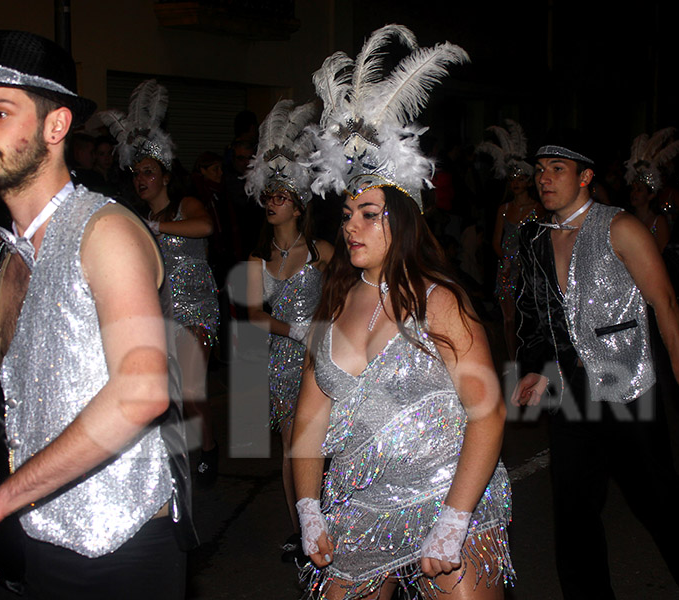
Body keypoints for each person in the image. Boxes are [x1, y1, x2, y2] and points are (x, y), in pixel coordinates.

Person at [0, 30, 197, 597]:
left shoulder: (107, 231)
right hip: (33, 536)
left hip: (114, 552)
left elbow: (142, 391)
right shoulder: (9, 251)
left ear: (56, 126)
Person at [293, 25, 513, 599]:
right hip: (360, 502)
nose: (351, 227)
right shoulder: (335, 301)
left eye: (369, 214)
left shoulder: (440, 301)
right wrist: (308, 506)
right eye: (346, 215)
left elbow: (486, 414)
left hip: (446, 492)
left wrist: (455, 519)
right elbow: (310, 419)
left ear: (404, 218)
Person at [512, 138, 679, 599]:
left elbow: (664, 301)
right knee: (574, 512)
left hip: (627, 385)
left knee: (661, 503)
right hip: (571, 393)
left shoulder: (619, 227)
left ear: (585, 177)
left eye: (557, 168)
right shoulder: (535, 237)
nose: (544, 178)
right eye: (540, 169)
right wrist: (536, 370)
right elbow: (534, 316)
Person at [100, 79, 221, 485]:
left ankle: (208, 450)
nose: (141, 180)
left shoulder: (184, 206)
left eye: (148, 172)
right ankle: (175, 454)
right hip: (159, 310)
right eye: (136, 173)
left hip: (198, 309)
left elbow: (205, 227)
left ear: (165, 176)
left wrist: (158, 226)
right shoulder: (134, 216)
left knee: (190, 388)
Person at [243, 99, 333, 561]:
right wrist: (296, 331)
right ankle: (302, 529)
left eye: (280, 197)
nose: (271, 204)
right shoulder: (256, 259)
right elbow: (254, 317)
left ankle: (331, 516)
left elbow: (347, 295)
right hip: (282, 359)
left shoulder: (323, 251)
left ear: (298, 206)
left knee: (325, 441)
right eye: (268, 197)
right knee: (290, 445)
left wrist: (326, 330)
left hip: (323, 357)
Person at [478, 119, 544, 361]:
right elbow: (496, 240)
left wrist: (527, 263)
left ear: (528, 181)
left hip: (529, 271)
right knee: (507, 318)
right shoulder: (504, 209)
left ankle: (529, 357)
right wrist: (506, 261)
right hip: (506, 269)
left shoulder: (538, 209)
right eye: (512, 179)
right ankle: (512, 358)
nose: (516, 183)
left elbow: (542, 241)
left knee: (528, 317)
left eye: (520, 178)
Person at [624, 127, 679, 253]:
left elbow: (664, 254)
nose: (634, 193)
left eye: (639, 190)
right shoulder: (627, 218)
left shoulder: (659, 222)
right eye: (633, 189)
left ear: (651, 196)